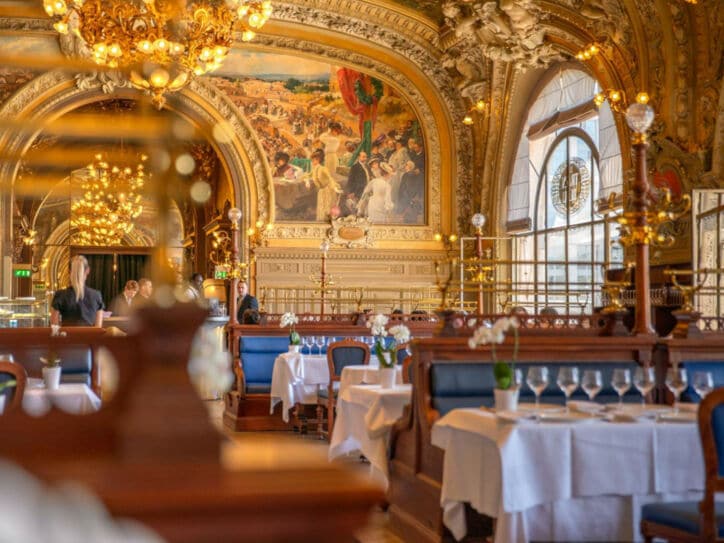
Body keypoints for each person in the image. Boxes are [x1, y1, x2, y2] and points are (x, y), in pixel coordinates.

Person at [50, 255, 104, 327]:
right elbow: (98, 329)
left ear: (69, 272)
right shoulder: (96, 295)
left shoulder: (60, 295)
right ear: (88, 270)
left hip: (67, 337)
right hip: (89, 338)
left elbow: (54, 326)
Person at [308, 149, 341, 221]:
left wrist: (335, 187)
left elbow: (330, 178)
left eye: (314, 160)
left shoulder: (323, 168)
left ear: (318, 160)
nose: (312, 162)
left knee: (328, 208)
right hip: (321, 190)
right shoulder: (315, 169)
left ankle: (329, 221)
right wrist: (306, 180)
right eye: (312, 160)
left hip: (328, 190)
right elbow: (308, 175)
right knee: (321, 207)